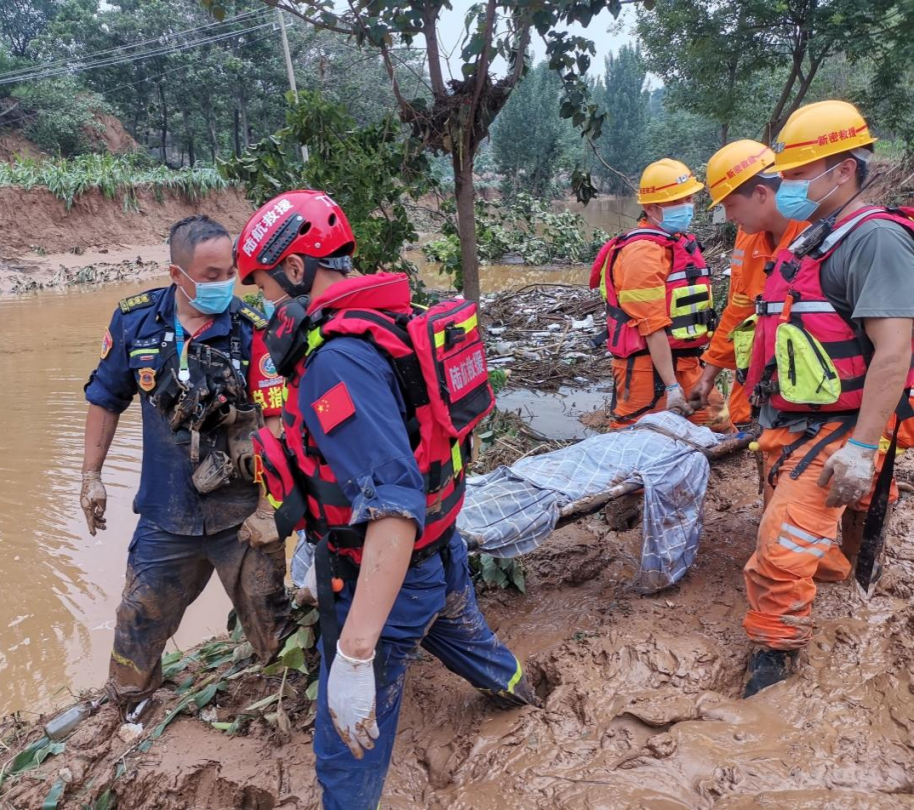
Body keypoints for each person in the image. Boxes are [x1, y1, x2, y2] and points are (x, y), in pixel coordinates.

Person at [237, 190, 538, 809]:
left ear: (296, 270)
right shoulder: (388, 320)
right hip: (438, 555)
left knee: (345, 750)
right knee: (473, 646)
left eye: (266, 287)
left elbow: (393, 508)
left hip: (382, 580)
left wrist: (352, 655)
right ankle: (525, 697)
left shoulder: (335, 362)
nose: (265, 305)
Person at [80, 214, 291, 715]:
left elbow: (277, 421)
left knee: (270, 615)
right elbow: (106, 398)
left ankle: (288, 698)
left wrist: (269, 508)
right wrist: (91, 476)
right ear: (178, 275)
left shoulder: (252, 330)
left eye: (230, 272)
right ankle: (127, 705)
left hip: (241, 515)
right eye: (212, 275)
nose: (226, 285)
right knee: (139, 617)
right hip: (165, 513)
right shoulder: (135, 321)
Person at [741, 100, 914, 696]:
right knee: (817, 527)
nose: (784, 186)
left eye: (794, 174)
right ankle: (850, 585)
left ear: (842, 170)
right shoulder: (817, 236)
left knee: (780, 543)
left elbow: (894, 352)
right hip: (797, 418)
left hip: (846, 423)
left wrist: (863, 447)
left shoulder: (877, 241)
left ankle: (774, 663)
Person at [591, 158, 729, 430]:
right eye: (678, 201)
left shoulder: (674, 242)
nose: (688, 206)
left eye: (689, 198)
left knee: (718, 424)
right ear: (651, 207)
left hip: (685, 361)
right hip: (647, 370)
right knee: (632, 438)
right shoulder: (642, 252)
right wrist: (671, 387)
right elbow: (651, 325)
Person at [689, 141, 806, 428]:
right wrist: (707, 376)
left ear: (760, 193)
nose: (729, 217)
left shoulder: (817, 232)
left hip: (816, 391)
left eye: (731, 205)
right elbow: (738, 312)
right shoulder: (748, 237)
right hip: (767, 385)